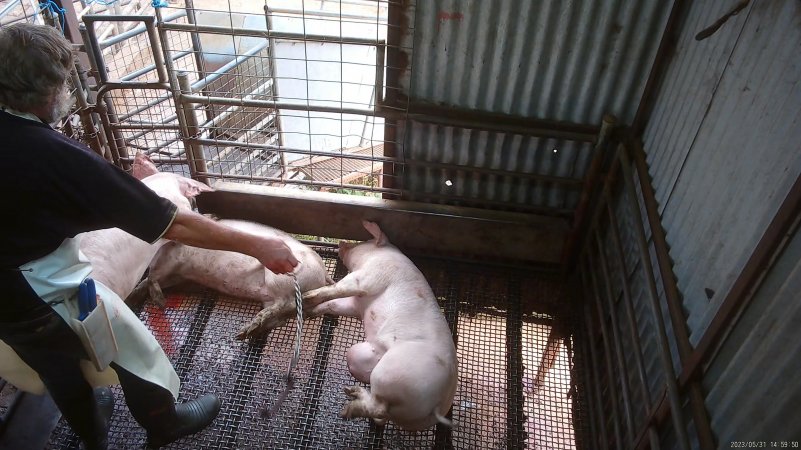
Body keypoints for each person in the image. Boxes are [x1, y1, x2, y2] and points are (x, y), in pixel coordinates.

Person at [0, 23, 299, 449]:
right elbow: (169, 222)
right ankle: (165, 421)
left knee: (51, 361)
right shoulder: (53, 154)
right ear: (51, 90)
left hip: (6, 297)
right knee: (132, 344)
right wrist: (257, 244)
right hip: (36, 286)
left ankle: (90, 430)